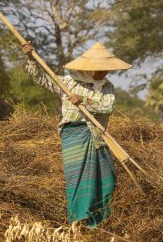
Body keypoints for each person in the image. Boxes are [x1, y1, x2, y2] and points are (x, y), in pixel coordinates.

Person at [22, 41, 132, 227]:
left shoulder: (107, 87)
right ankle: (79, 220)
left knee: (107, 178)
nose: (105, 72)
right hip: (75, 134)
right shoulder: (68, 82)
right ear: (89, 69)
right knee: (78, 178)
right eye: (100, 69)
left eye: (107, 69)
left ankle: (101, 220)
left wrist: (85, 100)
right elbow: (40, 77)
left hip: (98, 135)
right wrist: (31, 58)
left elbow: (107, 107)